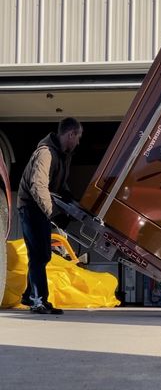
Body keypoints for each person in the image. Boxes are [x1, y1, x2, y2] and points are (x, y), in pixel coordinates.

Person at [17, 117, 83, 314]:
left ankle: (30, 295)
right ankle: (38, 300)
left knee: (43, 254)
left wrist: (73, 204)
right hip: (30, 207)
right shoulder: (45, 154)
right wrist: (53, 213)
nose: (78, 142)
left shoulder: (63, 155)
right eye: (78, 137)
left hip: (41, 207)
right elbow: (38, 186)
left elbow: (60, 186)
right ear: (70, 134)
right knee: (38, 254)